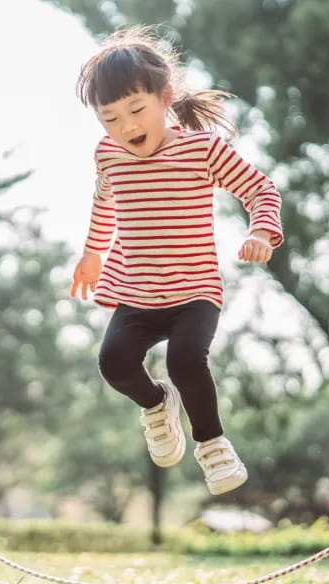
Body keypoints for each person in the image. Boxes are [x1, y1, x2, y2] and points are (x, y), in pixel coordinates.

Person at [70, 27, 283, 495]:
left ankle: (212, 445)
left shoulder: (201, 150)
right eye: (110, 118)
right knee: (114, 363)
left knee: (186, 359)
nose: (125, 127)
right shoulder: (108, 156)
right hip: (136, 290)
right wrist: (92, 254)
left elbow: (261, 189)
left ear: (164, 97)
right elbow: (105, 205)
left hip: (194, 290)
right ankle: (155, 403)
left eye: (135, 110)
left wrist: (262, 230)